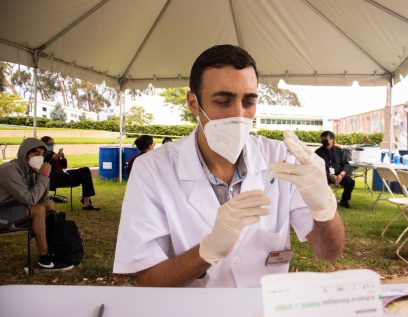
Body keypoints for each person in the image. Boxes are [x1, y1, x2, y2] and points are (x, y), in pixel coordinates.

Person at [113, 44, 344, 287]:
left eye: (249, 101)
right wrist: (207, 250)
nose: (239, 114)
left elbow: (329, 252)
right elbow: (150, 280)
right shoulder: (153, 170)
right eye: (223, 101)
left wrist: (324, 208)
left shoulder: (281, 158)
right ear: (193, 103)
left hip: (262, 309)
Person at [0, 138, 74, 271]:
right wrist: (44, 175)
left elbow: (42, 197)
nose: (39, 157)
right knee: (38, 210)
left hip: (14, 210)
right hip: (2, 213)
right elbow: (31, 200)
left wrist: (43, 176)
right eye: (35, 153)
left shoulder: (31, 171)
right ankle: (44, 260)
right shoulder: (9, 170)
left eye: (42, 154)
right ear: (24, 153)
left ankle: (54, 249)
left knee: (49, 204)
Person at [40, 136, 99, 211]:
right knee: (85, 171)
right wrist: (54, 159)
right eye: (50, 144)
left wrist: (62, 158)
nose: (52, 145)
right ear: (43, 144)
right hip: (55, 178)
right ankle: (86, 202)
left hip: (63, 174)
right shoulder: (42, 155)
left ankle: (86, 201)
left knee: (85, 172)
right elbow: (46, 168)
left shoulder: (52, 153)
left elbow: (64, 166)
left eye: (53, 144)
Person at [315, 131, 355, 208]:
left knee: (350, 182)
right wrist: (329, 175)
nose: (324, 141)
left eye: (326, 139)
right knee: (318, 182)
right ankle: (323, 202)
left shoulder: (340, 151)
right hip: (324, 175)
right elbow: (316, 167)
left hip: (339, 175)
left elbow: (346, 164)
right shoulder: (318, 152)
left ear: (332, 139)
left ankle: (344, 201)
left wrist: (341, 174)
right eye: (322, 139)